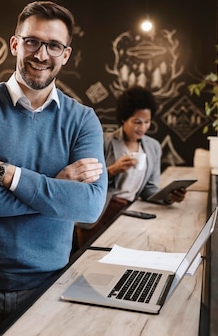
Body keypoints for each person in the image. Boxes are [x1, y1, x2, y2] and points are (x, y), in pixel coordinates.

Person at [0, 0, 108, 335]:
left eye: (53, 45)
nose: (41, 54)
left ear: (66, 54)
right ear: (15, 44)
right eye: (32, 41)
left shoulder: (83, 120)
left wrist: (9, 175)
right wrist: (54, 189)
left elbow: (88, 207)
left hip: (46, 288)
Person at [75, 86, 187, 247]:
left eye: (147, 122)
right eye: (137, 122)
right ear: (123, 119)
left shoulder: (153, 147)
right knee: (88, 261)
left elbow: (149, 190)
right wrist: (113, 170)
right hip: (99, 213)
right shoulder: (104, 141)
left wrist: (169, 196)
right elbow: (83, 181)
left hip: (129, 214)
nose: (142, 127)